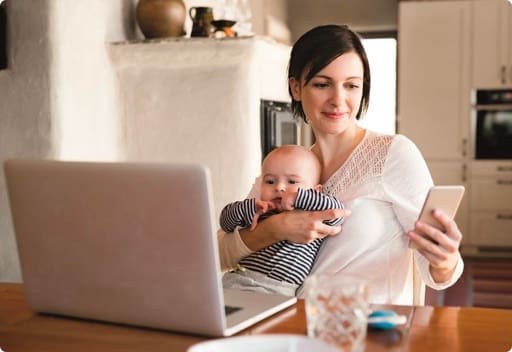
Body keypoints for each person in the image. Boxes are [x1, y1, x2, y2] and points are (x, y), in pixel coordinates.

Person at [217, 24, 464, 305]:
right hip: (289, 327)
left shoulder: (393, 154)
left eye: (351, 85)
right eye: (322, 84)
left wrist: (445, 260)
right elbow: (221, 253)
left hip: (365, 333)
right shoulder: (286, 166)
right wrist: (279, 228)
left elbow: (439, 273)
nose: (338, 100)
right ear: (296, 88)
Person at [220, 145, 344, 297]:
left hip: (278, 291)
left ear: (316, 191)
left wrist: (298, 197)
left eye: (292, 181)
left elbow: (336, 212)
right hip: (238, 280)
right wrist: (250, 207)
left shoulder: (314, 214)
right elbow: (225, 223)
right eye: (270, 181)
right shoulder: (262, 210)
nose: (279, 187)